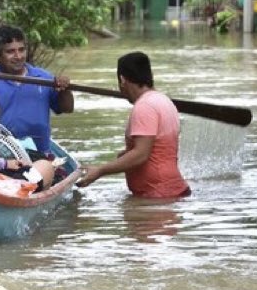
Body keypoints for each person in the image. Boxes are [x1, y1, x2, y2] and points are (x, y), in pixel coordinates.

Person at [77, 51, 190, 198]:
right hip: (171, 192)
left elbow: (141, 154)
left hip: (157, 197)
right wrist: (126, 154)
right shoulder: (164, 101)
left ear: (123, 80)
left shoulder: (144, 106)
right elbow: (159, 147)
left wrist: (100, 170)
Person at [0, 25, 74, 155]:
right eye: (10, 52)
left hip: (41, 154)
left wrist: (65, 89)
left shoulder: (43, 77)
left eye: (21, 50)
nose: (18, 56)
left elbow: (67, 108)